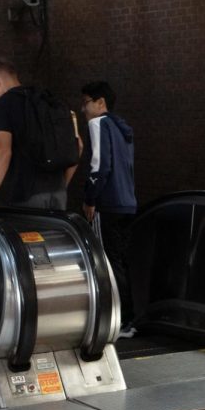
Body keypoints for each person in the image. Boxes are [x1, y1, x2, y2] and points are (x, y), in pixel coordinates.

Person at [0, 57, 81, 212]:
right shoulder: (46, 100)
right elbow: (78, 146)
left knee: (28, 236)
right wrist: (62, 186)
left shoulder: (3, 104)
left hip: (26, 194)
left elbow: (3, 151)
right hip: (58, 192)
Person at [80, 81, 137, 337]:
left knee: (106, 262)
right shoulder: (122, 128)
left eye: (86, 102)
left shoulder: (98, 124)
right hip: (127, 203)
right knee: (121, 260)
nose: (83, 109)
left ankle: (117, 320)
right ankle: (129, 320)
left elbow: (99, 165)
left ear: (100, 102)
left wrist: (90, 199)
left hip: (108, 202)